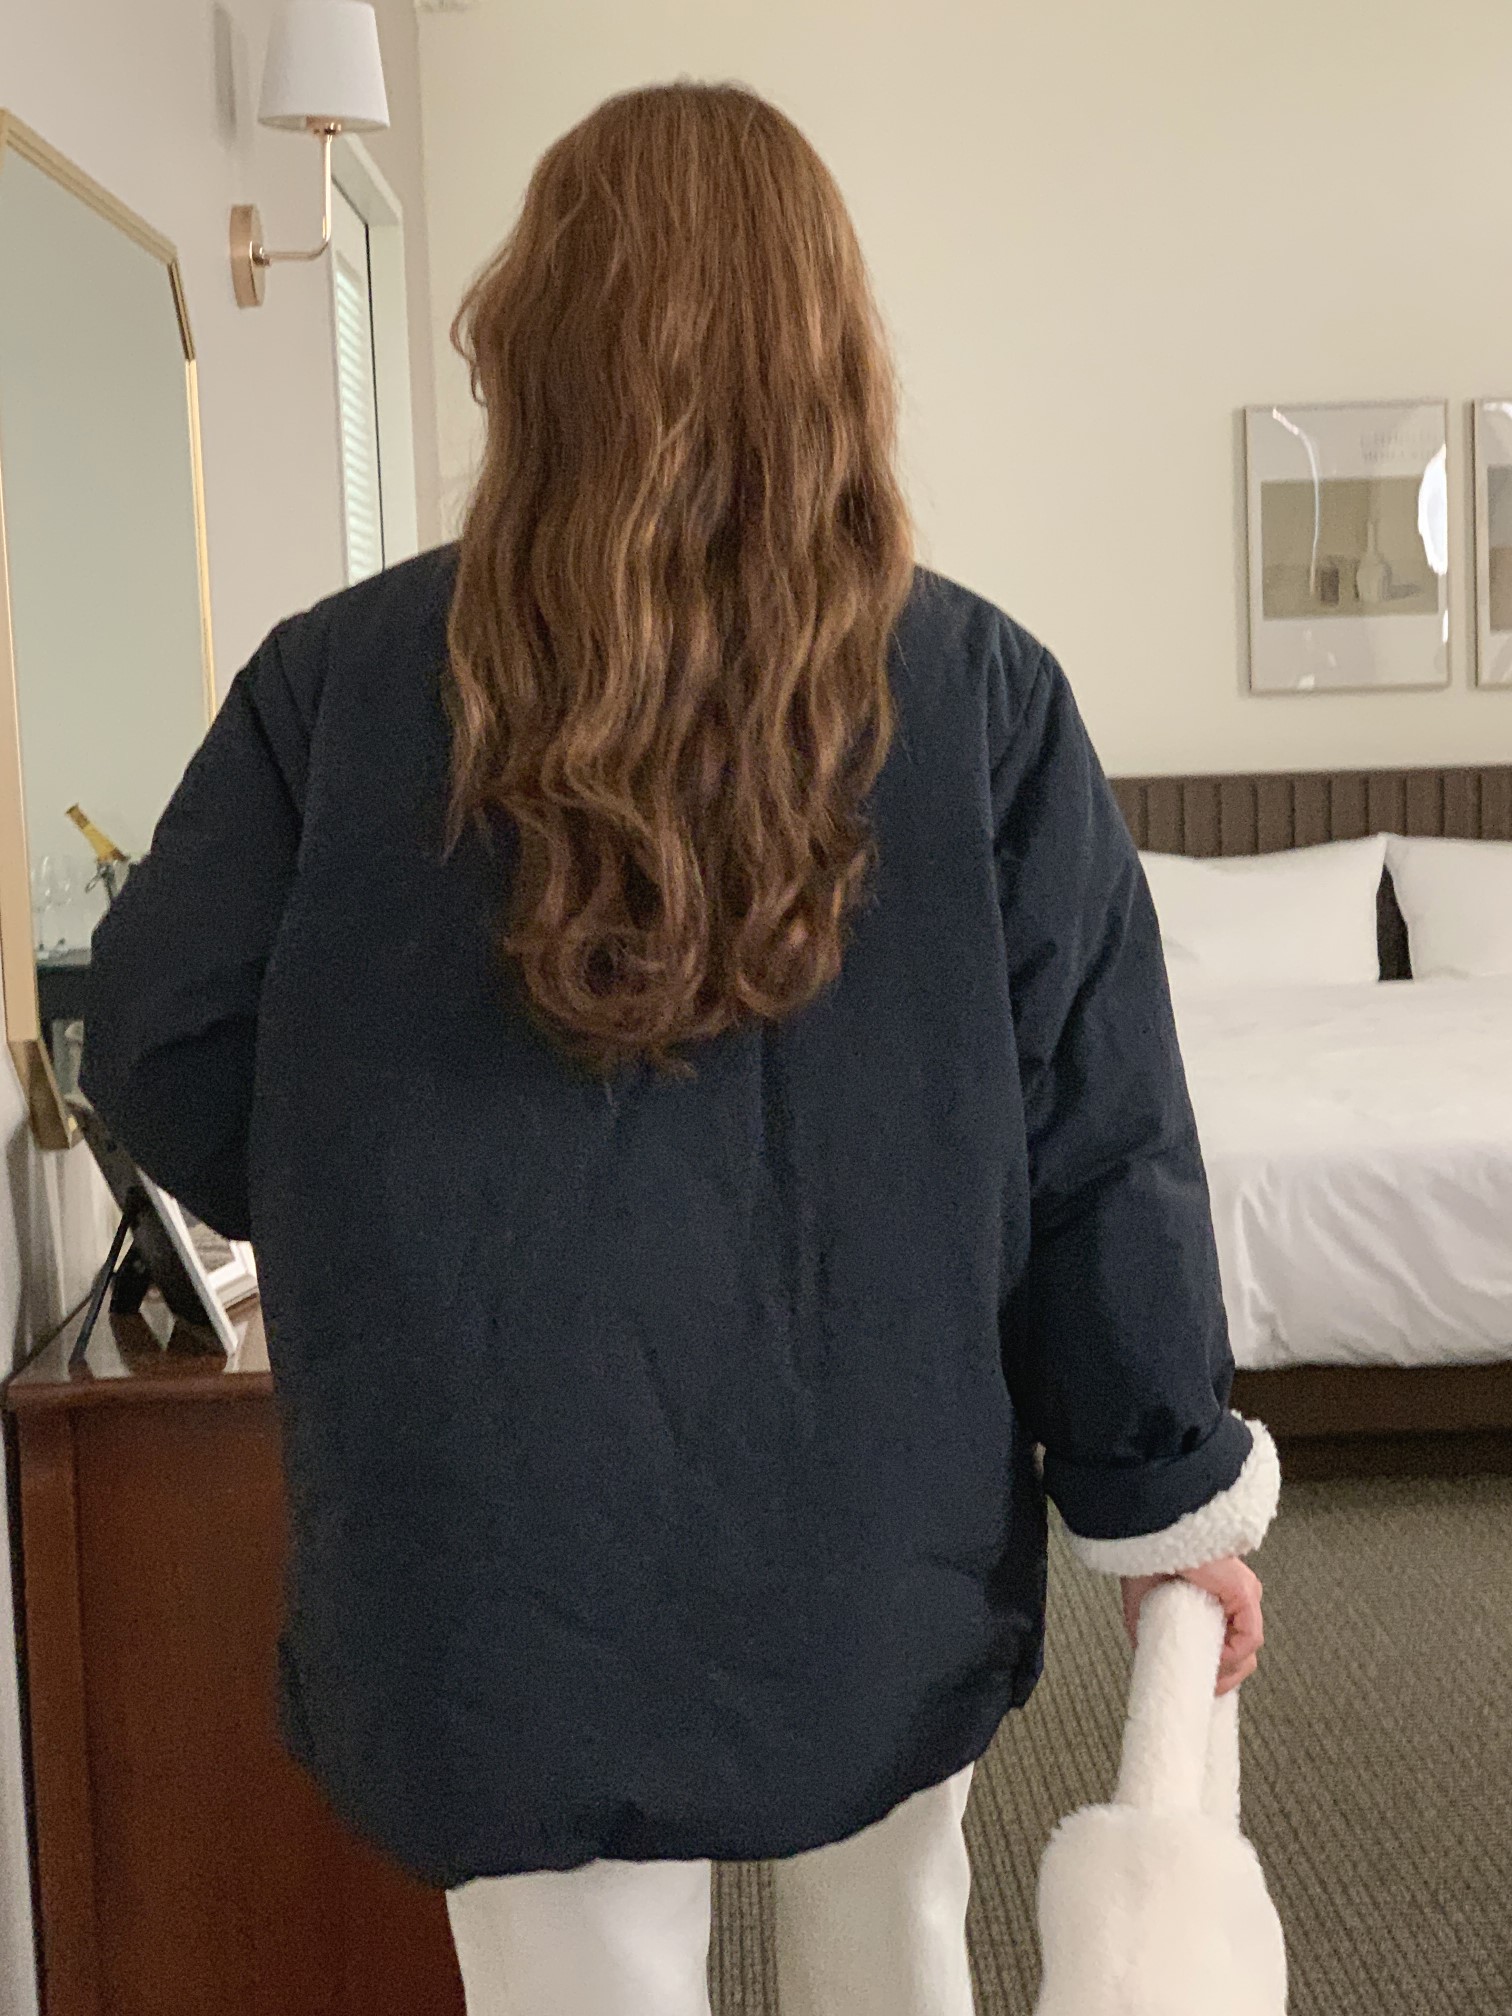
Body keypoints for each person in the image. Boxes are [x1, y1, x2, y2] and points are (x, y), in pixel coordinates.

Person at [81, 79, 1276, 2016]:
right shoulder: (980, 697)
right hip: (875, 1522)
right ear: (835, 356)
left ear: (529, 342)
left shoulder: (342, 689)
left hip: (496, 1533)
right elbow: (1105, 1150)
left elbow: (159, 1040)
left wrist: (369, 1195)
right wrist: (1166, 1498)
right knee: (890, 1953)